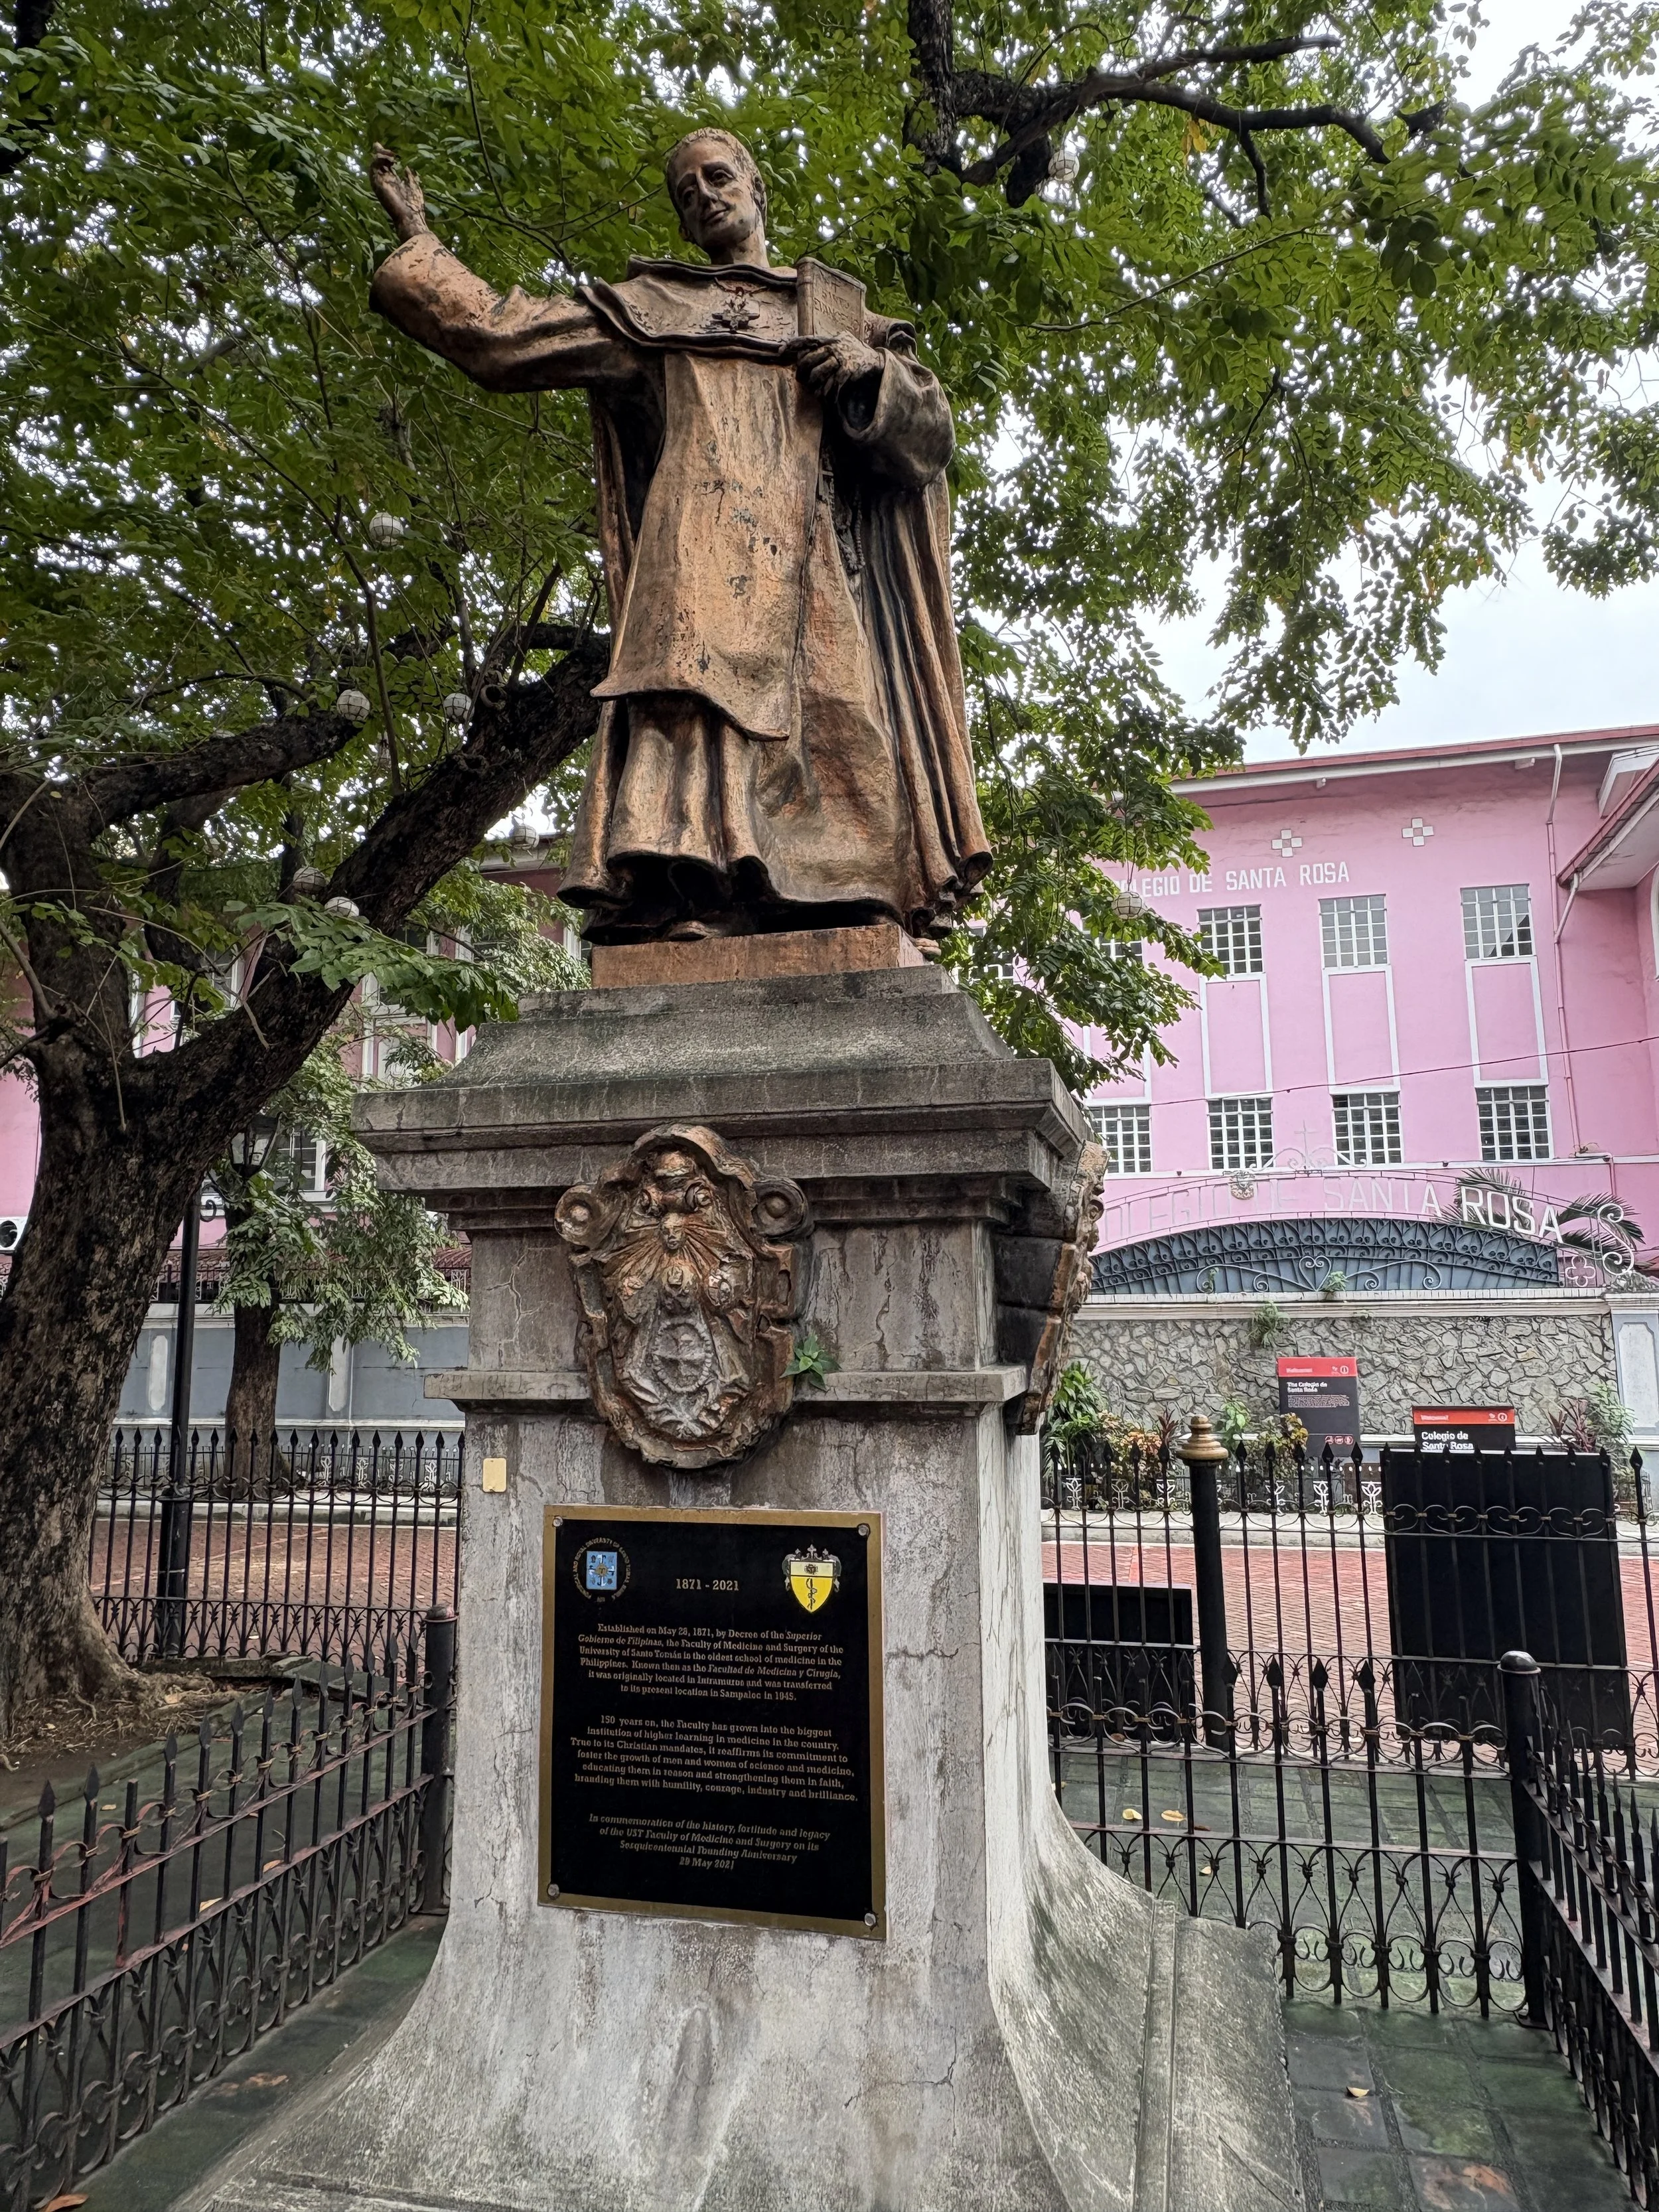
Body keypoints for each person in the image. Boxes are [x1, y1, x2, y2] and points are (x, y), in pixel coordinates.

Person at [370, 128, 989, 943]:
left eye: (718, 175)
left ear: (758, 187)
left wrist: (870, 374)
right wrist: (422, 246)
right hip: (700, 576)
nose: (703, 194)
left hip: (821, 583)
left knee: (847, 735)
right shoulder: (652, 313)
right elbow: (501, 340)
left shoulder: (844, 317)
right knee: (695, 726)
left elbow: (929, 442)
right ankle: (694, 894)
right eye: (684, 190)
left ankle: (845, 899)